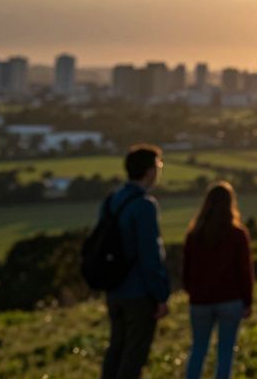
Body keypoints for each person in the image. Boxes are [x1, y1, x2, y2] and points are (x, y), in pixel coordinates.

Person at [101, 144, 172, 379]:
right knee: (134, 355)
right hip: (138, 292)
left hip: (113, 288)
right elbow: (149, 255)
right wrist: (160, 295)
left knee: (116, 349)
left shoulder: (112, 200)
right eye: (158, 166)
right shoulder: (144, 205)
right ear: (149, 171)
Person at [182, 181, 253, 379]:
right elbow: (244, 271)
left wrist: (192, 291)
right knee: (225, 352)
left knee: (198, 349)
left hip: (200, 301)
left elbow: (186, 270)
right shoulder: (238, 234)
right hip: (230, 300)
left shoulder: (194, 234)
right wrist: (248, 301)